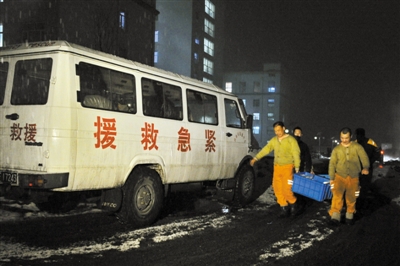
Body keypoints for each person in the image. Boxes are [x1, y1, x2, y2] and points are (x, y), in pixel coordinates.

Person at [250, 121, 302, 218]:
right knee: (277, 188)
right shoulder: (274, 140)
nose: (277, 132)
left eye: (278, 130)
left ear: (284, 128)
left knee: (287, 189)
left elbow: (296, 153)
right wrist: (256, 158)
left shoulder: (291, 140)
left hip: (288, 167)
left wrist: (297, 166)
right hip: (277, 167)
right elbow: (266, 149)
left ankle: (293, 204)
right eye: (275, 131)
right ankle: (284, 207)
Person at [328, 127, 370, 226]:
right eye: (342, 138)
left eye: (346, 138)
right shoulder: (336, 149)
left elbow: (364, 158)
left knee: (351, 197)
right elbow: (332, 164)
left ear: (350, 136)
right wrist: (331, 178)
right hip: (339, 176)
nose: (344, 140)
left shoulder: (357, 147)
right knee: (337, 196)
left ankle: (349, 216)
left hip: (353, 176)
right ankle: (335, 216)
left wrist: (366, 167)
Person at [354, 128, 381, 210]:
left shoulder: (367, 142)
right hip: (359, 168)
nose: (358, 136)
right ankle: (360, 201)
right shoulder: (357, 143)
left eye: (358, 134)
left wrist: (370, 162)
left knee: (363, 185)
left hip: (365, 168)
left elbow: (377, 153)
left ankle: (361, 202)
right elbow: (377, 153)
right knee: (360, 184)